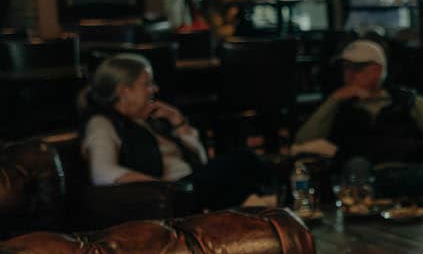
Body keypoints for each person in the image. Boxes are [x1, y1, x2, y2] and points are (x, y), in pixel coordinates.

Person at [80, 53, 277, 209]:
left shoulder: (148, 119)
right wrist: (164, 188)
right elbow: (102, 172)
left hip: (189, 185)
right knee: (242, 159)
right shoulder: (102, 123)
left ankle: (265, 203)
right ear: (125, 91)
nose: (154, 89)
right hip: (173, 192)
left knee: (239, 174)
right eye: (146, 84)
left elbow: (200, 160)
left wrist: (177, 121)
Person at [293, 39, 423, 215]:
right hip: (363, 173)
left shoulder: (405, 100)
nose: (349, 74)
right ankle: (362, 229)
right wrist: (334, 100)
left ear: (377, 70)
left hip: (409, 170)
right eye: (346, 68)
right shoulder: (340, 104)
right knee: (357, 164)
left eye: (357, 68)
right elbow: (303, 139)